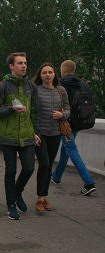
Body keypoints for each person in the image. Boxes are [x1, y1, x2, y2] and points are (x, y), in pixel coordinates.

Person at [0, 52, 40, 220]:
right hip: (8, 136)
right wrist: (11, 109)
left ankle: (17, 192)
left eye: (25, 63)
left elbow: (34, 112)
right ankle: (11, 204)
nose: (24, 66)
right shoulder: (2, 86)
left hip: (27, 135)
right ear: (11, 66)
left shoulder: (31, 87)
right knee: (10, 170)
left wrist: (36, 132)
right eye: (20, 63)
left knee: (29, 168)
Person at [52, 60, 97, 196]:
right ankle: (56, 177)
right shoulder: (83, 85)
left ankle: (89, 183)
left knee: (71, 148)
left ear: (63, 71)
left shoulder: (61, 84)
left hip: (66, 123)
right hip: (80, 122)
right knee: (66, 149)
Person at [33, 63, 70, 212]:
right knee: (44, 164)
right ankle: (40, 198)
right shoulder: (35, 90)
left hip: (55, 133)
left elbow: (68, 108)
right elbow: (31, 112)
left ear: (54, 74)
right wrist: (34, 132)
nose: (47, 75)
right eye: (44, 73)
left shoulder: (60, 90)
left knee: (49, 166)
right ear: (40, 76)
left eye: (50, 72)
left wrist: (63, 115)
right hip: (40, 134)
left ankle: (42, 197)